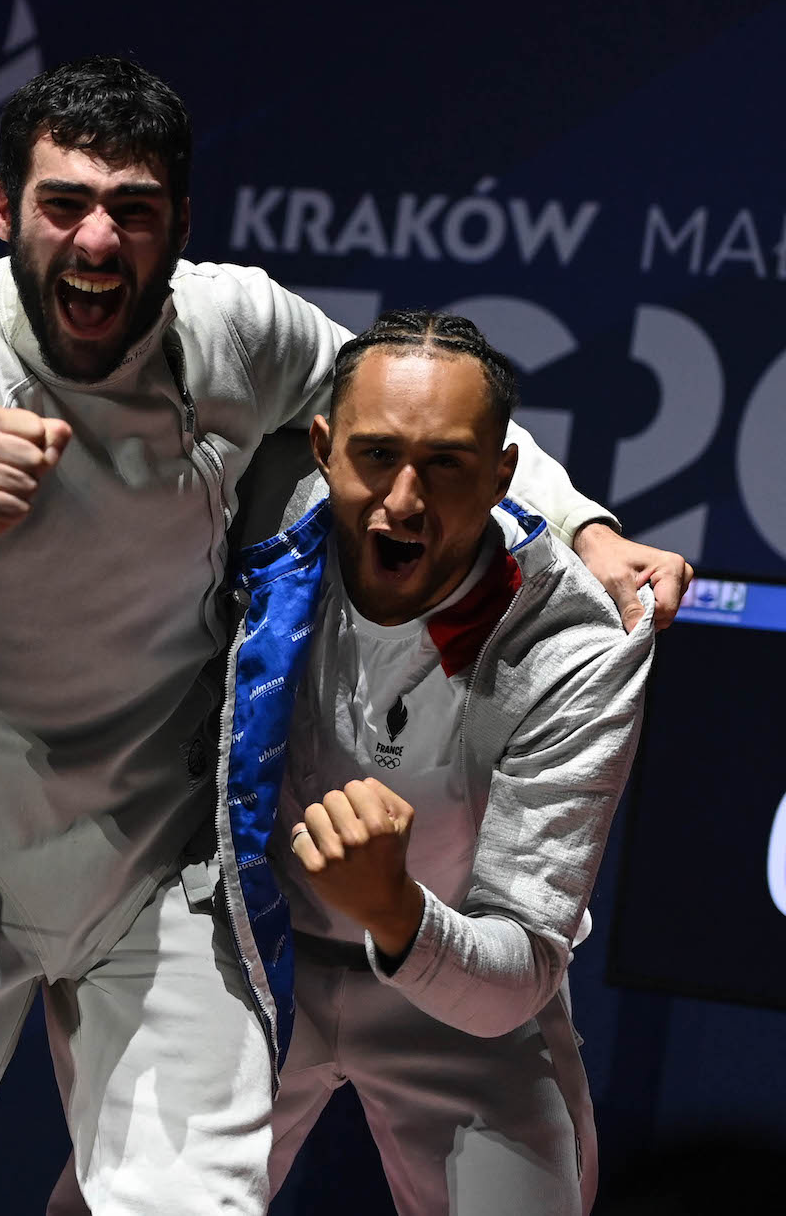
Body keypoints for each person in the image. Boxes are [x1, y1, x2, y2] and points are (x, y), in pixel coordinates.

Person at [0, 57, 688, 1216]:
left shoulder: (240, 327)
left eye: (133, 212)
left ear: (178, 230)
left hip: (167, 860)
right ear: (3, 213)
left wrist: (587, 524)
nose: (98, 240)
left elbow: (415, 408)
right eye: (64, 206)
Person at [262, 311, 652, 1215]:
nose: (404, 501)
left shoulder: (575, 649)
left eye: (446, 464)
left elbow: (519, 964)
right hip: (253, 962)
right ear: (321, 447)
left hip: (463, 995)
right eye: (375, 456)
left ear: (504, 473)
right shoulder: (256, 527)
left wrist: (393, 907)